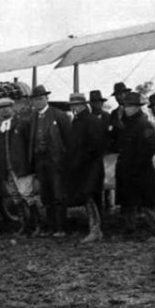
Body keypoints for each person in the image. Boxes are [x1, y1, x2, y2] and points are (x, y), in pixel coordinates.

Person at [115, 92, 155, 238]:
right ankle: (130, 227)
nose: (127, 109)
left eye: (130, 106)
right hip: (125, 168)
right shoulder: (124, 124)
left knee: (148, 200)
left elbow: (150, 147)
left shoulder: (144, 124)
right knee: (128, 201)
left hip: (142, 169)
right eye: (125, 106)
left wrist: (138, 164)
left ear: (137, 107)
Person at [28, 85, 71, 237]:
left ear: (47, 99)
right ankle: (51, 227)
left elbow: (68, 140)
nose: (38, 102)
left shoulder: (58, 115)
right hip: (40, 161)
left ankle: (61, 228)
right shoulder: (32, 117)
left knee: (58, 193)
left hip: (56, 160)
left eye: (40, 99)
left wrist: (64, 160)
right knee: (46, 195)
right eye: (35, 100)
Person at [0, 96, 37, 235]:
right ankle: (24, 224)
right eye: (1, 109)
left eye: (6, 107)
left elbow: (30, 145)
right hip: (7, 168)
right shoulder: (0, 128)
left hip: (21, 167)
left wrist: (29, 164)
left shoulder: (22, 123)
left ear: (12, 108)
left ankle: (35, 224)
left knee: (27, 194)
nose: (4, 111)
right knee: (15, 196)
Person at [67, 93, 105, 243]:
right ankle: (95, 229)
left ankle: (96, 229)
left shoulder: (90, 121)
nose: (74, 108)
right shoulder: (78, 121)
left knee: (92, 196)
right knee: (88, 196)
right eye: (72, 105)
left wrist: (81, 159)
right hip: (83, 167)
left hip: (91, 166)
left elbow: (96, 146)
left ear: (83, 105)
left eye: (76, 105)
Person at [108, 82, 130, 153]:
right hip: (117, 151)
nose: (118, 97)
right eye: (116, 95)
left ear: (126, 94)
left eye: (120, 94)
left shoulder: (132, 111)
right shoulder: (114, 113)